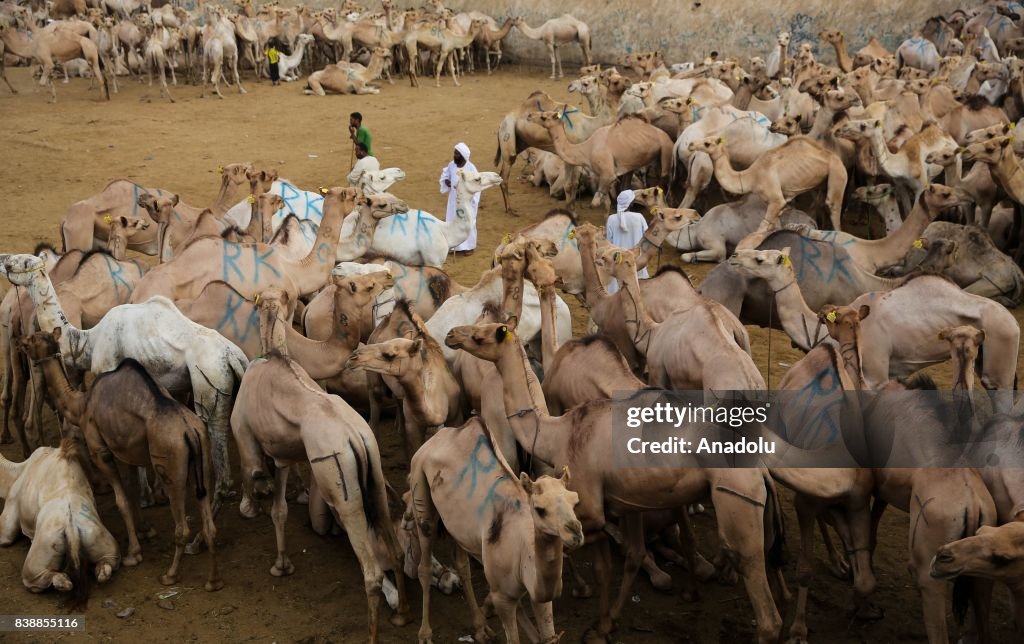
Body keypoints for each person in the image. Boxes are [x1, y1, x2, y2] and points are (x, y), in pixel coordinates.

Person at [439, 142, 480, 255]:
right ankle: (454, 246)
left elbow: (477, 185)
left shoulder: (471, 168)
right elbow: (445, 174)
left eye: (457, 154)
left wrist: (471, 199)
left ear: (463, 156)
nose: (455, 155)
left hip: (466, 201)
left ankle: (469, 247)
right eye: (455, 153)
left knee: (467, 222)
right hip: (453, 200)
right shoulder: (452, 165)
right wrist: (446, 181)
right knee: (453, 221)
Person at [605, 189, 648, 294]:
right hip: (636, 261)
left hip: (618, 263)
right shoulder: (639, 217)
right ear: (631, 203)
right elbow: (647, 238)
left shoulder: (611, 219)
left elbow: (608, 242)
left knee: (617, 292)